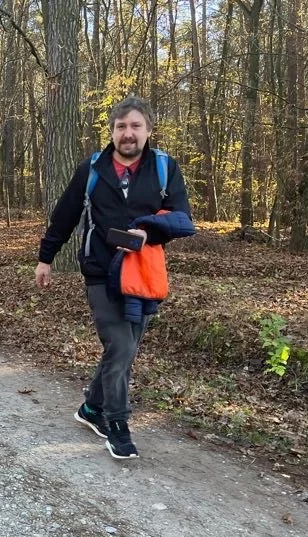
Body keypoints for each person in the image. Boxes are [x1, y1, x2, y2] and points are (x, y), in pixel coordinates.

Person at [35, 96, 194, 460]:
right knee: (121, 346)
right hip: (100, 271)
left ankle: (91, 407)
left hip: (145, 274)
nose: (128, 133)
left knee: (123, 349)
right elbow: (65, 216)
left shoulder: (165, 168)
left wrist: (149, 234)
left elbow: (182, 218)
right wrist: (46, 258)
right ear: (112, 131)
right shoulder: (92, 168)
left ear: (148, 130)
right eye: (121, 126)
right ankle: (117, 423)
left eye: (135, 126)